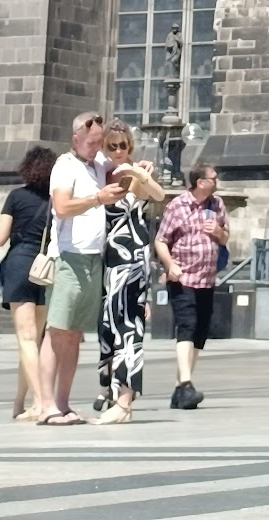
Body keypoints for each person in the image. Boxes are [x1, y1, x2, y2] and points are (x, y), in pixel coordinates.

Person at [34, 111, 116, 423]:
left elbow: (120, 166)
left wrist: (140, 168)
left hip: (93, 258)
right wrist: (97, 198)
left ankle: (63, 402)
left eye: (99, 142)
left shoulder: (97, 164)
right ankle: (45, 405)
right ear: (76, 138)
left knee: (74, 334)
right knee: (57, 331)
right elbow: (62, 206)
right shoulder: (65, 166)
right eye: (92, 142)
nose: (97, 147)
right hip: (68, 257)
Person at [156, 165, 230, 412]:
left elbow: (226, 237)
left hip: (207, 279)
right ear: (200, 182)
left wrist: (218, 232)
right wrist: (170, 265)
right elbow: (160, 240)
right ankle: (186, 383)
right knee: (186, 326)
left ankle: (180, 390)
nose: (217, 181)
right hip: (183, 277)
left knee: (199, 332)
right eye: (213, 178)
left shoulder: (217, 205)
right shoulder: (178, 206)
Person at [94, 129, 154, 423]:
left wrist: (140, 175)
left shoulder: (135, 174)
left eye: (123, 146)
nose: (118, 151)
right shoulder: (99, 174)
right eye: (112, 146)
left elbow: (158, 195)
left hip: (131, 261)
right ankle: (111, 390)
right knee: (107, 329)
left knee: (129, 329)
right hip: (107, 264)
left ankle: (124, 402)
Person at [0, 141, 58, 422]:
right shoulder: (56, 201)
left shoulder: (16, 196)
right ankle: (20, 401)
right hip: (45, 267)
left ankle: (40, 402)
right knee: (36, 339)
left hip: (20, 263)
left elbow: (0, 237)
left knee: (26, 338)